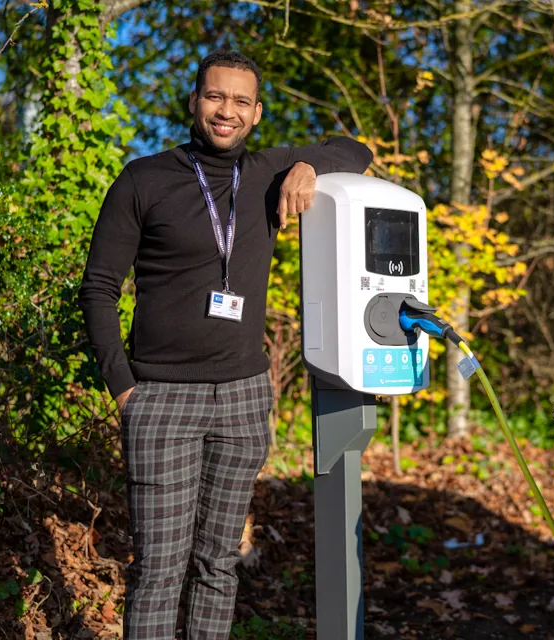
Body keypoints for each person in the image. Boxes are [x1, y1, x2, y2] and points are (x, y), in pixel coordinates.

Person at [78, 50, 372, 639]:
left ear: (257, 113)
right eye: (215, 96)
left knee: (219, 566)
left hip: (242, 398)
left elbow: (356, 150)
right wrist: (124, 390)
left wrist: (308, 169)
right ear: (193, 102)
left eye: (241, 101)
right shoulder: (145, 179)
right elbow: (99, 288)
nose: (226, 111)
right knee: (159, 572)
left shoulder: (266, 173)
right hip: (160, 398)